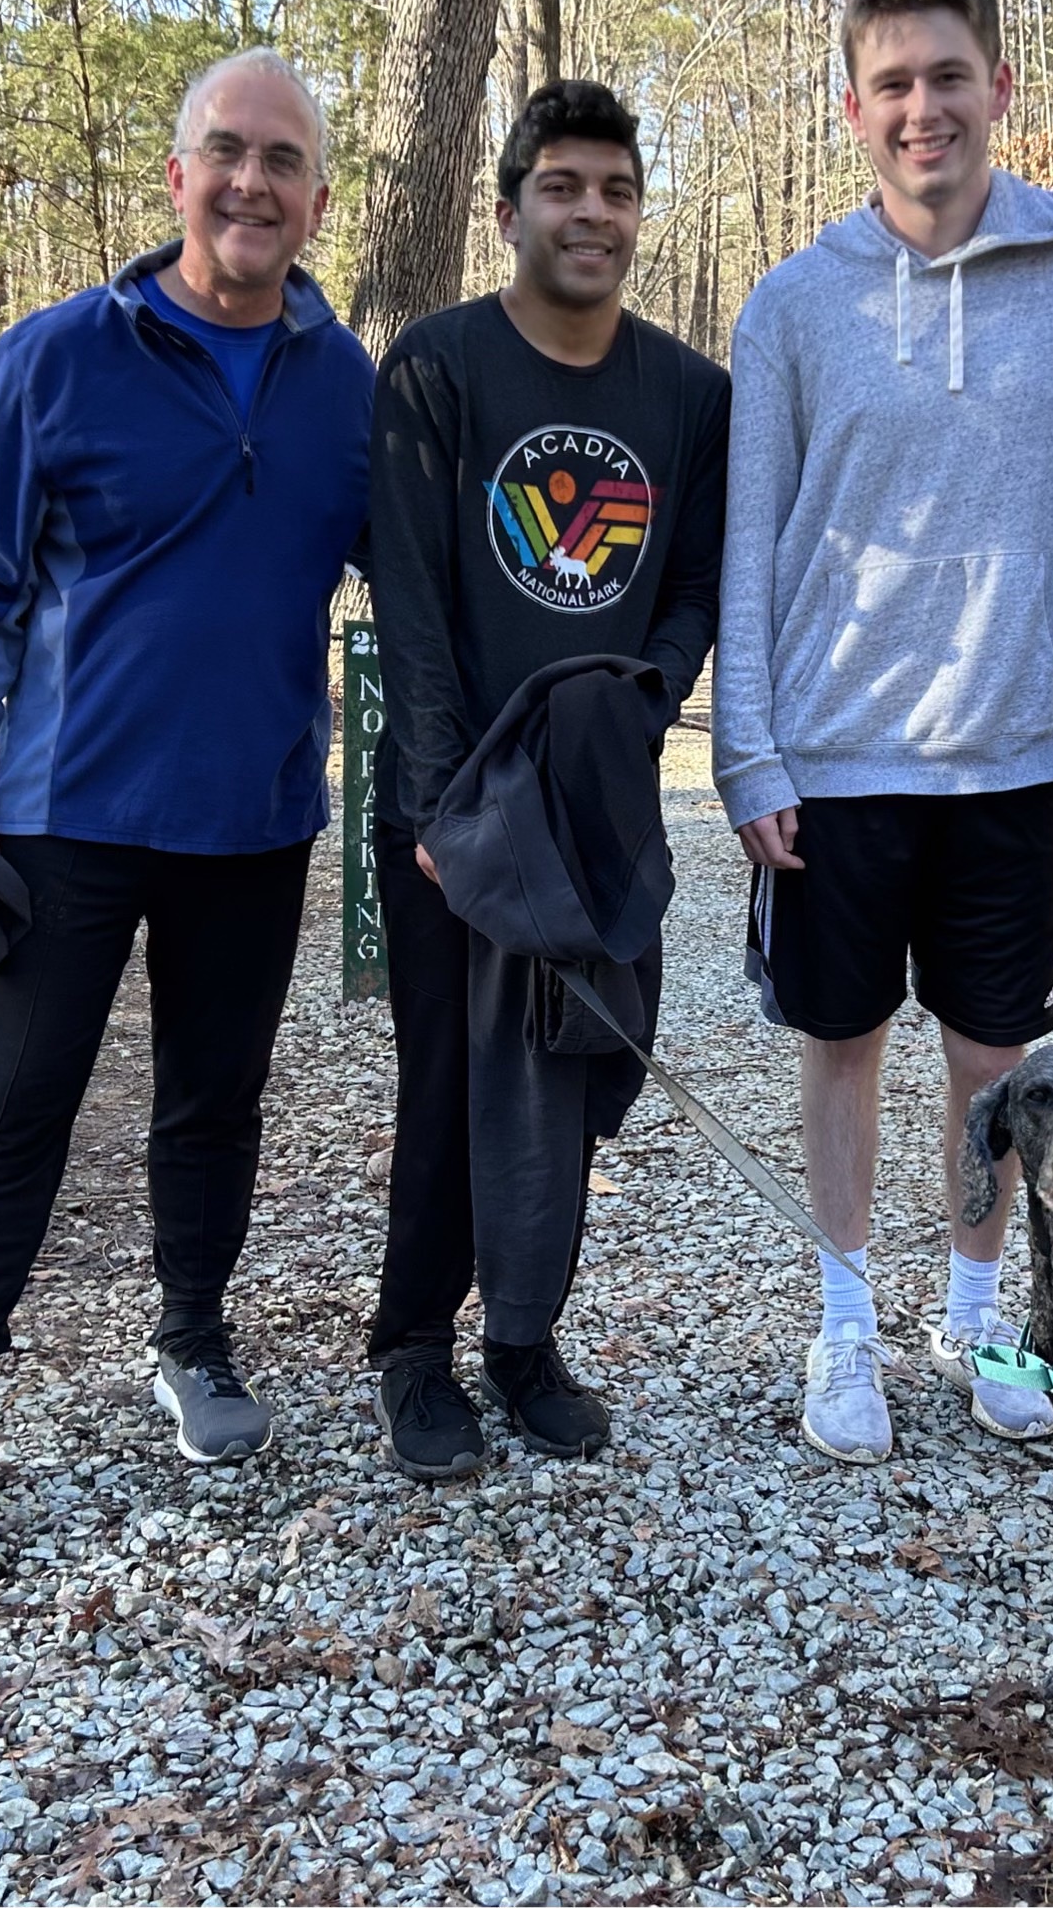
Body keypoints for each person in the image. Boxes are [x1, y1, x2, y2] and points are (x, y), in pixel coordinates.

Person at [0, 48, 372, 1558]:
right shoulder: (51, 360)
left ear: (318, 200)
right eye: (226, 152)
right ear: (177, 179)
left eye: (283, 162)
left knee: (213, 1108)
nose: (251, 183)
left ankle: (194, 1340)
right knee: (12, 1115)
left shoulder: (345, 388)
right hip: (68, 816)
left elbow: (407, 580)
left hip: (257, 819)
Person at [712, 0, 1053, 1465]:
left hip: (1012, 756)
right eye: (894, 84)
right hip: (836, 758)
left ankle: (981, 1308)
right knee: (841, 1046)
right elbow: (750, 536)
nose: (925, 109)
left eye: (949, 78)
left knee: (998, 1070)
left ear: (1000, 90)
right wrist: (749, 746)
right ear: (854, 108)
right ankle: (844, 1318)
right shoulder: (793, 304)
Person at [364, 80, 729, 1479]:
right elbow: (415, 603)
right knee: (451, 1079)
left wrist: (643, 707)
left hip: (598, 804)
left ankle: (523, 1338)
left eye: (616, 190)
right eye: (563, 186)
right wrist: (451, 810)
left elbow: (693, 585)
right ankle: (414, 1347)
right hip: (456, 811)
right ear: (507, 206)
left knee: (578, 1073)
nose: (592, 212)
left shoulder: (690, 396)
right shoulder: (438, 369)